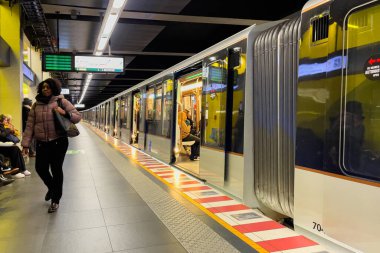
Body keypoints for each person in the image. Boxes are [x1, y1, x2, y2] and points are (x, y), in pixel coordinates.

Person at [21, 78, 81, 213]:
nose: (45, 89)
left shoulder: (61, 101)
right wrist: (25, 144)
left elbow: (77, 117)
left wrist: (65, 112)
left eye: (48, 87)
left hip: (59, 142)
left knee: (56, 169)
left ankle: (55, 200)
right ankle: (52, 188)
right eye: (43, 87)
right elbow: (30, 126)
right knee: (40, 168)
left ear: (53, 88)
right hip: (42, 143)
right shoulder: (36, 105)